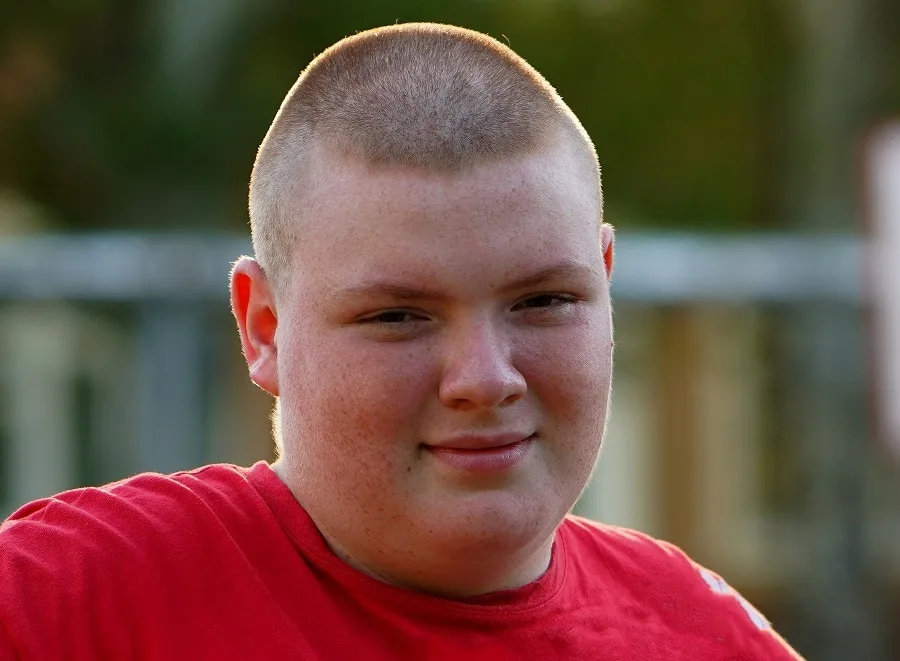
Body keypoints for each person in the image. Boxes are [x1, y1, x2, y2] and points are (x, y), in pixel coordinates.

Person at [0, 23, 803, 660]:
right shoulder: (71, 605)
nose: (485, 378)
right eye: (398, 316)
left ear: (605, 280)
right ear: (264, 328)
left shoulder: (703, 637)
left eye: (545, 300)